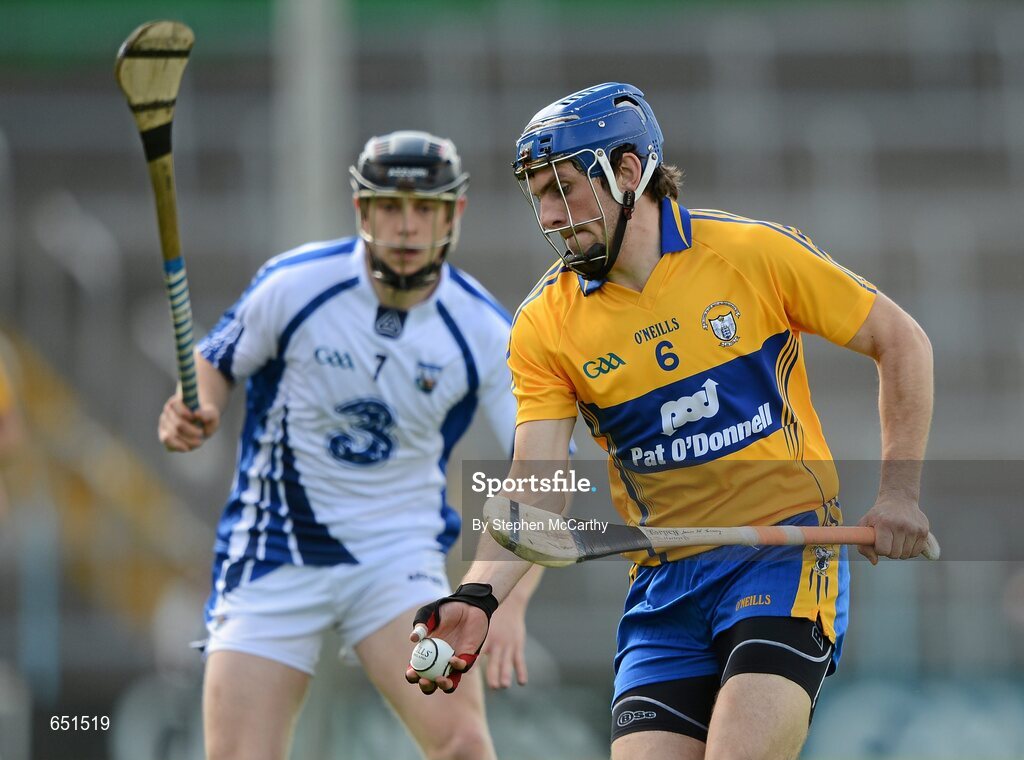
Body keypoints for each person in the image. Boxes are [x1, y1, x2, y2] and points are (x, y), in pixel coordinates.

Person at [406, 83, 934, 760]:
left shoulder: (750, 254)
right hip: (663, 589)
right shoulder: (545, 324)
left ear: (629, 172)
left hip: (781, 557)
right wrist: (479, 595)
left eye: (564, 187)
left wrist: (899, 491)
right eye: (537, 194)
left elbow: (902, 340)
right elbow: (535, 483)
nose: (549, 214)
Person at [158, 130, 539, 760]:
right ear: (362, 211)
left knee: (464, 746)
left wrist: (508, 597)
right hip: (274, 548)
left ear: (455, 215)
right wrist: (193, 407)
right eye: (390, 206)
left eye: (425, 209)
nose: (408, 227)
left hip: (396, 559)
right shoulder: (296, 286)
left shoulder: (484, 329)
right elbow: (216, 361)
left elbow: (543, 468)